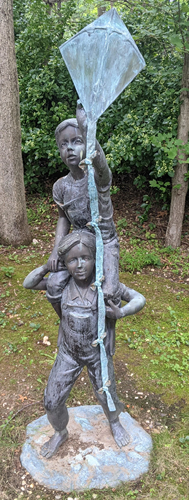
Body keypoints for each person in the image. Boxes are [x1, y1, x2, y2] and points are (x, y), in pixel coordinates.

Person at [41, 230, 146, 459]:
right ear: (65, 263)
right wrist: (47, 266)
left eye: (85, 258)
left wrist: (122, 312)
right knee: (51, 400)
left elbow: (139, 298)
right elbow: (29, 282)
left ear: (95, 259)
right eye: (72, 260)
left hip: (97, 353)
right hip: (69, 353)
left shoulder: (105, 286)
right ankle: (60, 432)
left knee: (106, 393)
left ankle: (115, 422)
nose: (80, 265)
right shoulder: (62, 285)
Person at [23, 102, 120, 349]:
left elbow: (101, 165)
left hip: (102, 242)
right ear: (59, 150)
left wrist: (88, 129)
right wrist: (56, 250)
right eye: (64, 144)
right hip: (76, 244)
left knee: (108, 291)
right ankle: (67, 329)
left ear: (86, 144)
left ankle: (107, 332)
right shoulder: (61, 187)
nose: (70, 149)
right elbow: (63, 218)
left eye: (77, 141)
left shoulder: (97, 179)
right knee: (54, 285)